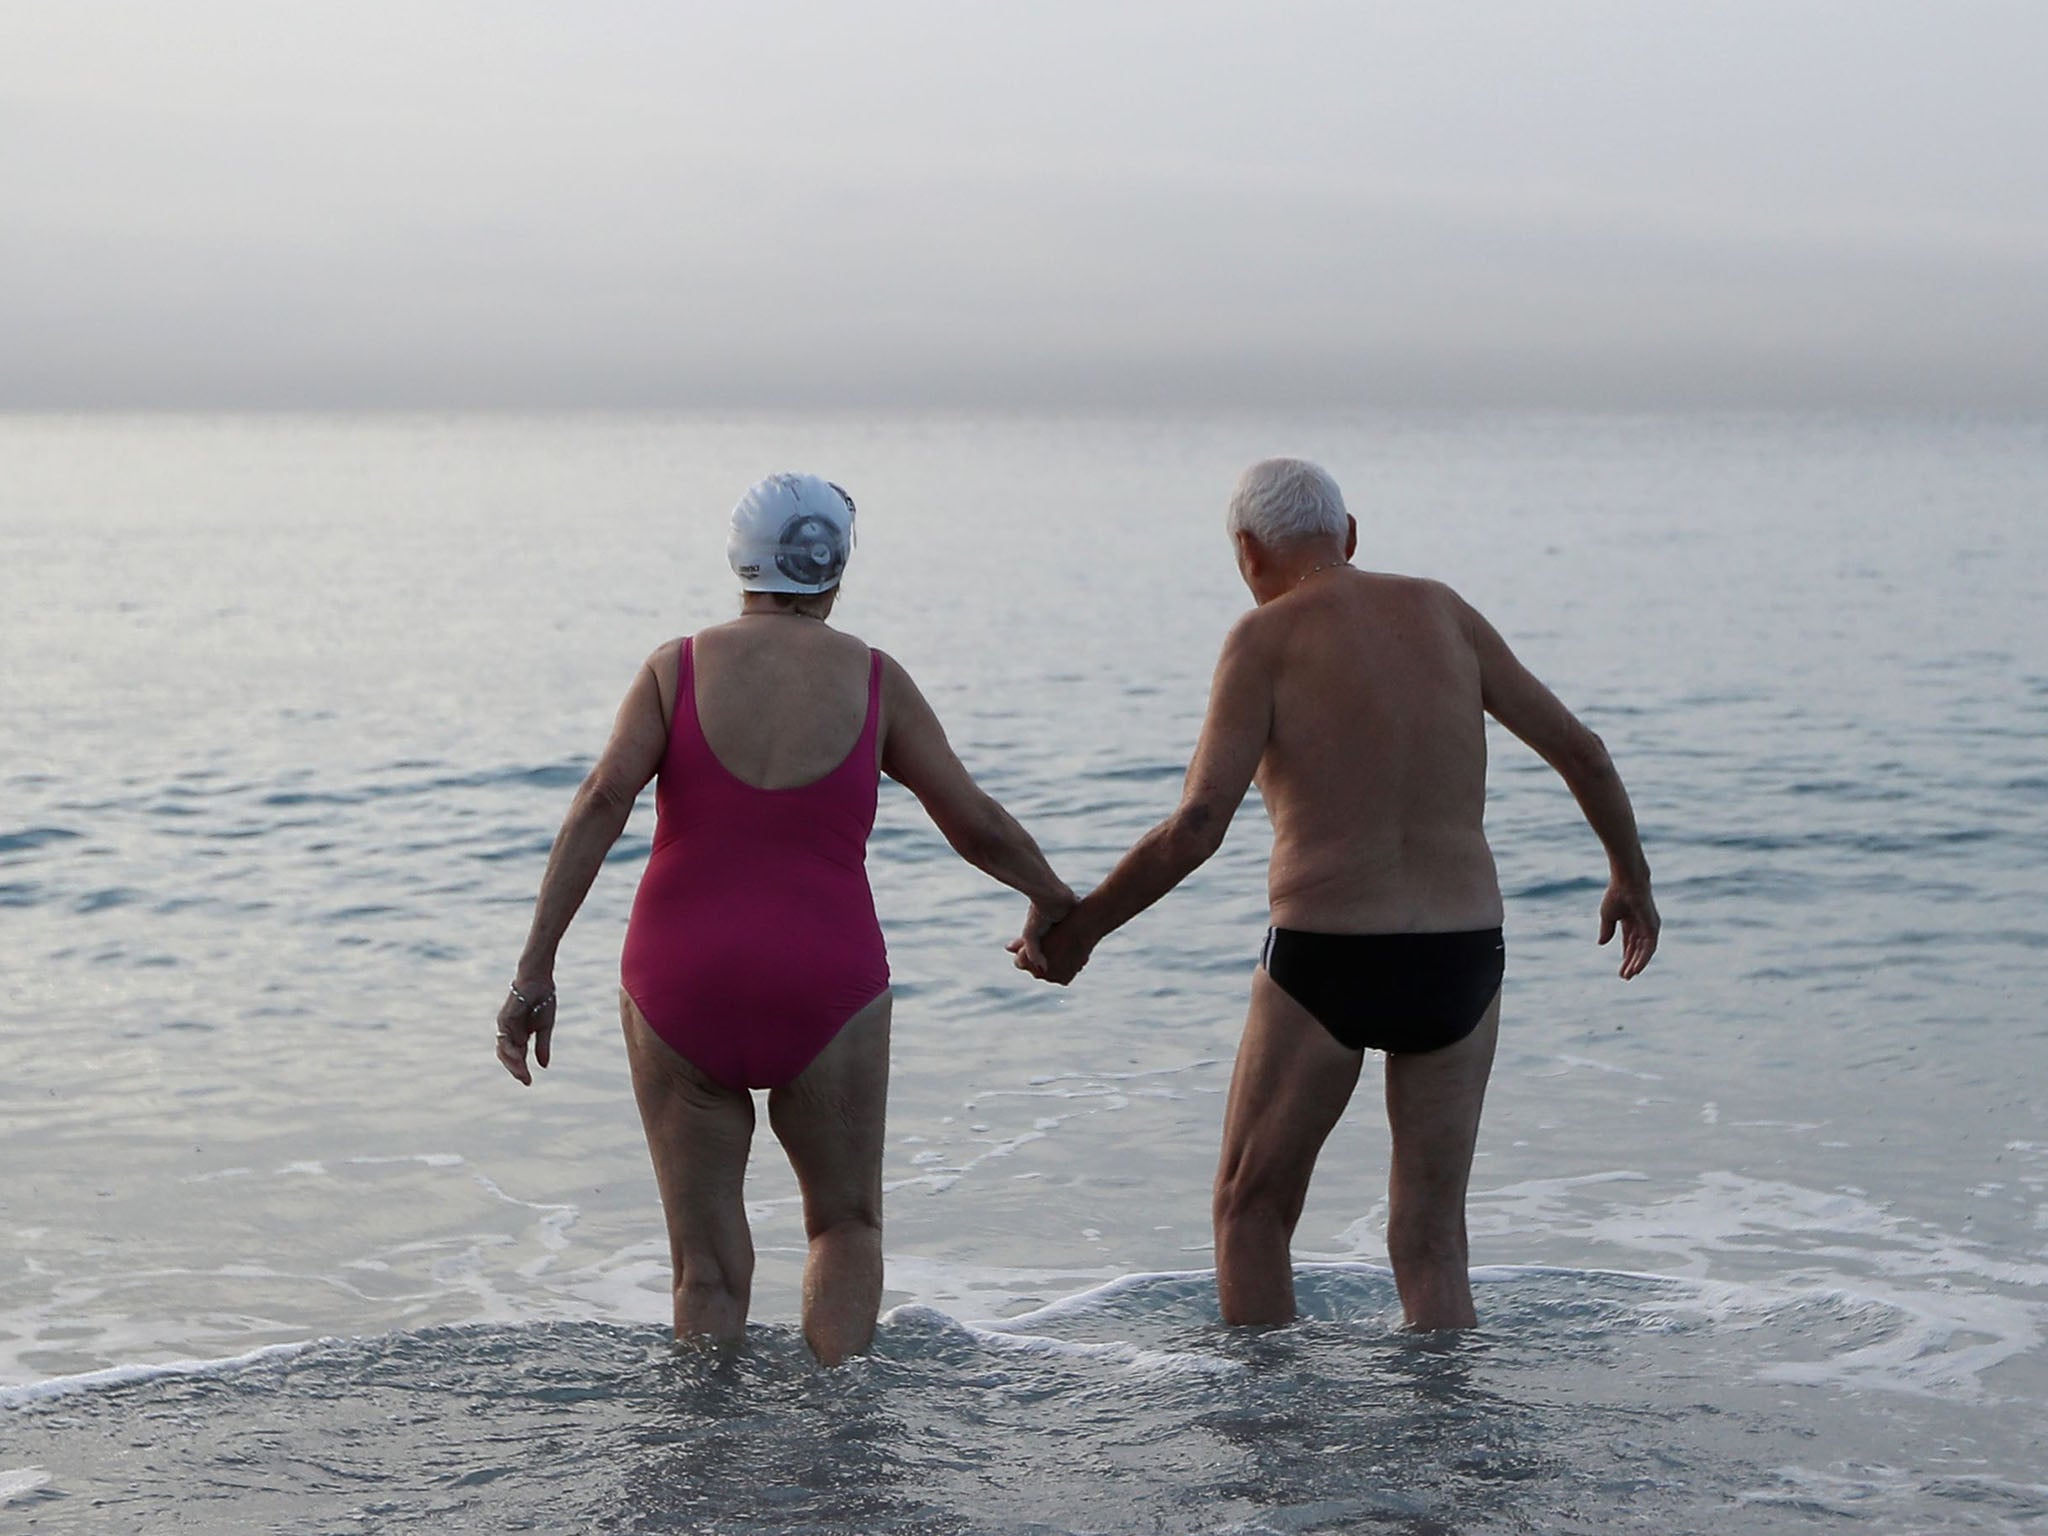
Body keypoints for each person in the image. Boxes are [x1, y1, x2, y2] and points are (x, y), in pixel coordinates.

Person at [1014, 458, 1658, 1330]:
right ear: (1350, 536)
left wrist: (1081, 930)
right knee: (1431, 1239)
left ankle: (1271, 1453)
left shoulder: (1263, 640)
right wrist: (1630, 876)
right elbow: (1581, 750)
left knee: (1252, 1215)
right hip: (1461, 955)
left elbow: (1198, 825)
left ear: (1246, 550)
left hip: (1329, 957)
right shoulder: (1445, 611)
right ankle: (1449, 1449)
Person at [497, 473, 1073, 1364]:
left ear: (740, 557)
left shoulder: (673, 668)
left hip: (679, 978)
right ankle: (839, 1452)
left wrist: (535, 968)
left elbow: (600, 800)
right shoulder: (875, 679)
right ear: (836, 563)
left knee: (705, 1270)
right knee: (844, 1224)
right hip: (823, 980)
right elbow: (974, 819)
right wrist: (1053, 899)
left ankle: (708, 1466)